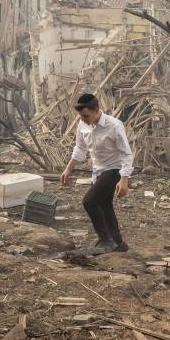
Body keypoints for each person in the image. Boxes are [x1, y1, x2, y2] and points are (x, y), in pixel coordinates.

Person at [60, 93, 133, 254]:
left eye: (86, 115)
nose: (83, 119)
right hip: (98, 171)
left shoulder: (114, 126)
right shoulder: (83, 124)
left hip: (114, 170)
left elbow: (126, 153)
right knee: (104, 206)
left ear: (96, 110)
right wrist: (68, 169)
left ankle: (105, 239)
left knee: (89, 202)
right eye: (80, 116)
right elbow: (80, 148)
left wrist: (124, 179)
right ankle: (118, 243)